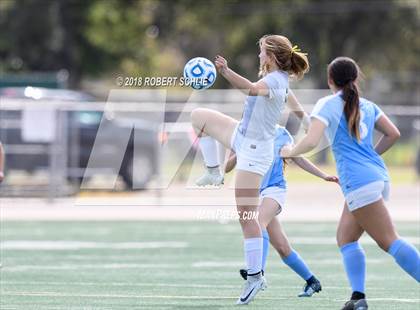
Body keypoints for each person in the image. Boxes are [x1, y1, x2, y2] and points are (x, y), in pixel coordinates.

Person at [280, 57, 420, 310]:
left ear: (330, 80)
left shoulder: (328, 104)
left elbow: (311, 141)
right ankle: (358, 298)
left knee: (389, 241)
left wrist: (289, 151)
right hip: (376, 178)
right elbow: (393, 134)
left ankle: (359, 299)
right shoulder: (367, 104)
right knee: (346, 238)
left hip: (359, 183)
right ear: (356, 79)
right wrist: (371, 157)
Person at [191, 34, 309, 304]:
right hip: (242, 136)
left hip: (255, 152)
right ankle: (213, 170)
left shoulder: (273, 81)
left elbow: (252, 89)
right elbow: (294, 104)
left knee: (247, 218)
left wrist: (225, 71)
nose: (258, 56)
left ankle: (256, 277)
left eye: (261, 52)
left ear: (271, 56)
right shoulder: (280, 82)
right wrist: (307, 120)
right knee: (198, 117)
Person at [225, 125, 338, 297]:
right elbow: (226, 168)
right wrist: (241, 150)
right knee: (283, 247)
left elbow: (295, 157)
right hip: (256, 194)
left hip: (275, 190)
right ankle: (312, 281)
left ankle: (257, 274)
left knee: (258, 223)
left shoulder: (280, 133)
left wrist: (323, 175)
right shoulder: (241, 133)